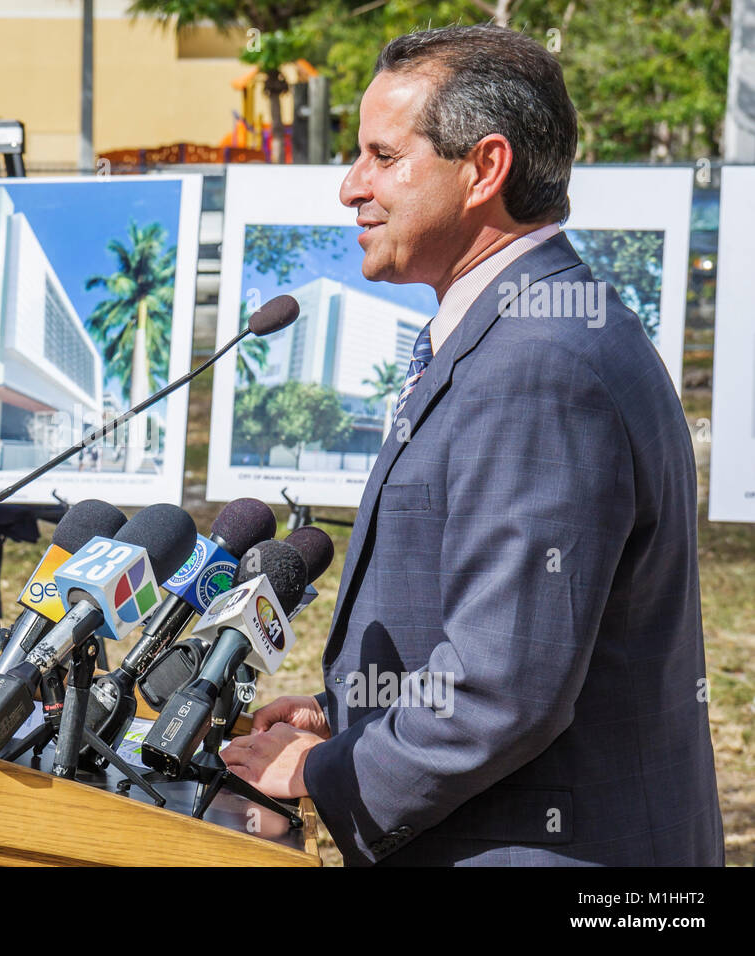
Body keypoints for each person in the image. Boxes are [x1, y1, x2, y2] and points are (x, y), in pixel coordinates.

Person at [221, 23, 724, 866]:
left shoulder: (539, 362)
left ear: (484, 169)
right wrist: (349, 713)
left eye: (384, 157)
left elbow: (502, 689)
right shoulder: (526, 330)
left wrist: (328, 772)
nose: (352, 187)